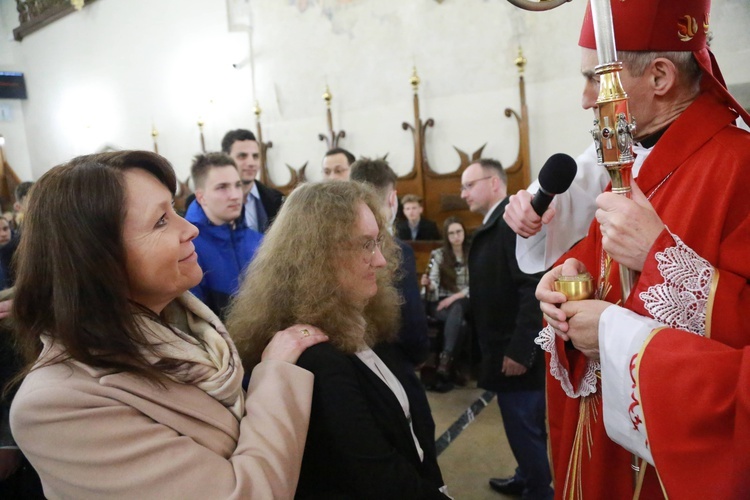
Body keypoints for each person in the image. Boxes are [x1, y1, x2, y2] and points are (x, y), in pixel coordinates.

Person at [8, 150, 328, 499]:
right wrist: (275, 372)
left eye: (174, 210)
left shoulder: (188, 331)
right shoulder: (58, 405)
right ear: (98, 258)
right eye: (161, 221)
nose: (190, 228)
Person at [535, 0, 750, 497]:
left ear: (659, 76)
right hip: (612, 452)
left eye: (596, 77)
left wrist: (658, 253)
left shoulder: (739, 165)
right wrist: (565, 283)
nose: (588, 99)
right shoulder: (632, 162)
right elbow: (600, 267)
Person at [226, 181, 449, 499]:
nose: (381, 260)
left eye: (377, 242)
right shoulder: (316, 357)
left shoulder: (363, 322)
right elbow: (377, 478)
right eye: (365, 245)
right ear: (319, 256)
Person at [460, 159, 552, 499]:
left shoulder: (510, 223)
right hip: (504, 347)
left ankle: (539, 492)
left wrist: (519, 350)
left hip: (515, 353)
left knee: (524, 429)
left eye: (470, 185)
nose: (463, 193)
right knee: (522, 428)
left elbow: (532, 290)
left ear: (495, 184)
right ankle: (525, 477)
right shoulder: (497, 223)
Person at [350, 158, 430, 367]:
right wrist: (420, 354)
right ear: (393, 199)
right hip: (391, 360)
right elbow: (411, 320)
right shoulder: (398, 251)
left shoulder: (339, 245)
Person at [185, 152, 263, 320]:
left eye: (237, 185)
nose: (235, 195)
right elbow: (196, 321)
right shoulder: (188, 247)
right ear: (201, 197)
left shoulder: (258, 240)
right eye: (222, 187)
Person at [420, 216, 470, 388]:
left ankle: (445, 359)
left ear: (464, 232)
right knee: (461, 324)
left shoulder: (472, 252)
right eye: (451, 233)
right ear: (447, 237)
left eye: (459, 232)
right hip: (440, 303)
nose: (456, 236)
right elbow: (432, 282)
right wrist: (428, 284)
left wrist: (454, 297)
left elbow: (477, 284)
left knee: (458, 306)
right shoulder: (439, 254)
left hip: (464, 300)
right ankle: (448, 364)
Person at [221, 129, 283, 233]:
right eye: (242, 156)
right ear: (225, 159)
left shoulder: (276, 200)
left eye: (255, 156)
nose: (251, 163)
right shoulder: (208, 202)